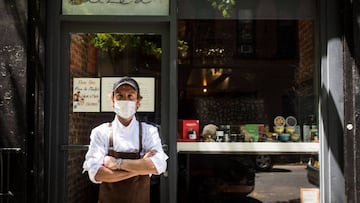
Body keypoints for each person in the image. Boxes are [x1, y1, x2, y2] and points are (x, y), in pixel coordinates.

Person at [82, 76, 168, 203]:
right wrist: (141, 168)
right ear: (112, 101)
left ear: (138, 102)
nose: (125, 100)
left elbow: (158, 166)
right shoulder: (100, 132)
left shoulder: (149, 131)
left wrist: (117, 163)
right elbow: (96, 174)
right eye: (120, 96)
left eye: (130, 96)